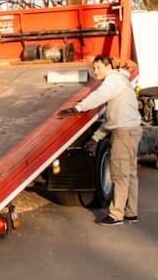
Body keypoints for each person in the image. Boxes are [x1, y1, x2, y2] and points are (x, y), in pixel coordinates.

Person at [58, 55, 143, 226]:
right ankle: (131, 213)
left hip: (124, 133)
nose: (95, 72)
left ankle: (116, 215)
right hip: (132, 131)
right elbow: (112, 120)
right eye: (94, 68)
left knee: (119, 175)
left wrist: (78, 108)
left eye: (98, 68)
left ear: (108, 66)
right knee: (130, 174)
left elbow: (99, 96)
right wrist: (96, 138)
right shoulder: (120, 81)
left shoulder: (112, 81)